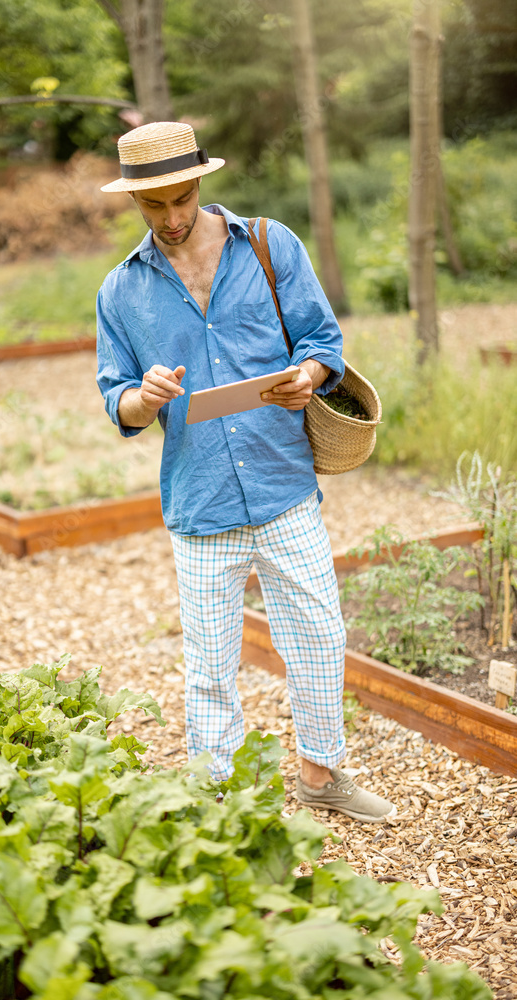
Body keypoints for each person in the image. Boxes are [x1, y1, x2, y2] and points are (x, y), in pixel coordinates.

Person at [96, 121, 395, 822]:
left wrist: (308, 375)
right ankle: (213, 792)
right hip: (199, 503)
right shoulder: (121, 291)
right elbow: (119, 403)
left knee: (318, 636)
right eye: (154, 206)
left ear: (200, 182)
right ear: (135, 201)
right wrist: (146, 397)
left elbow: (321, 340)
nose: (171, 219)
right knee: (208, 664)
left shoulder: (267, 244)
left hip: (282, 482)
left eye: (181, 198)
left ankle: (321, 775)